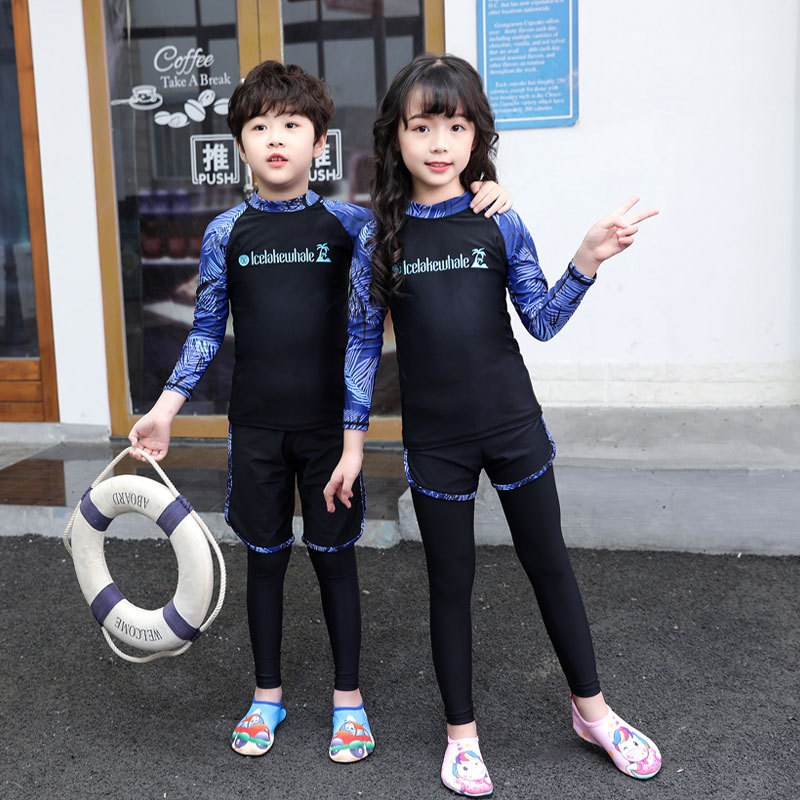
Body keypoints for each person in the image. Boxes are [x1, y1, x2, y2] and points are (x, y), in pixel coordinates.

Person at [127, 59, 512, 764]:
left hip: (330, 432)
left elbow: (377, 315)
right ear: (239, 145)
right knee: (264, 562)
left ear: (319, 142)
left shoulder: (353, 226)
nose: (275, 138)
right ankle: (266, 695)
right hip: (256, 430)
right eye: (258, 127)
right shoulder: (225, 232)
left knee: (335, 563)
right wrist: (166, 408)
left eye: (291, 125)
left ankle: (348, 700)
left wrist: (487, 192)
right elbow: (206, 331)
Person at [324, 53, 662, 795]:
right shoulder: (381, 236)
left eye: (456, 126)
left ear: (477, 134)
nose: (439, 142)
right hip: (435, 443)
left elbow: (541, 318)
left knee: (550, 565)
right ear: (396, 136)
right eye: (422, 126)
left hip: (513, 427)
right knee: (450, 583)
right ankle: (462, 736)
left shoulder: (499, 221)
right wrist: (352, 445)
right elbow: (360, 344)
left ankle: (594, 713)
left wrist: (586, 259)